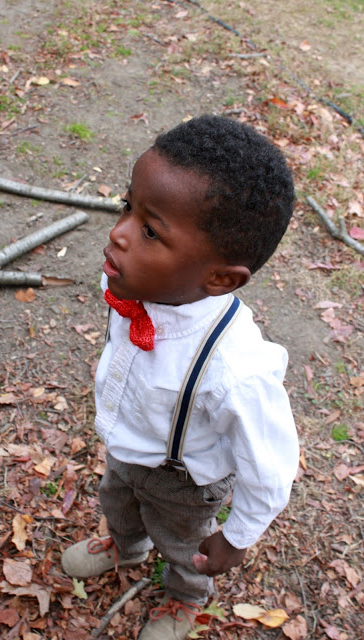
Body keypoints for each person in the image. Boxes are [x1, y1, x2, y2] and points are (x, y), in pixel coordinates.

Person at [62, 114, 299, 640]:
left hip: (183, 482)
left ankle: (184, 596)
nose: (118, 233)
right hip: (127, 448)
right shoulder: (130, 283)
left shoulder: (237, 369)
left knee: (183, 542)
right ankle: (125, 546)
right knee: (116, 501)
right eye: (128, 207)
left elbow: (270, 466)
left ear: (218, 278)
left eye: (149, 230)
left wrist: (235, 538)